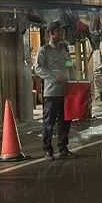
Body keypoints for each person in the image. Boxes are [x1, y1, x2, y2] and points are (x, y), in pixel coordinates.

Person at [34, 22, 73, 159]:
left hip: (66, 91)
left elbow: (68, 63)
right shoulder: (44, 50)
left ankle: (63, 148)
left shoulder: (64, 48)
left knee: (65, 121)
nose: (62, 34)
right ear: (51, 33)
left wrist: (71, 71)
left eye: (62, 31)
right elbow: (38, 68)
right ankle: (47, 150)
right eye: (59, 32)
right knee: (49, 123)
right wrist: (54, 77)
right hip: (51, 93)